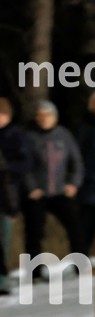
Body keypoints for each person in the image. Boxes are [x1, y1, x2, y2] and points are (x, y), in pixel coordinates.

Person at [24, 100, 84, 275]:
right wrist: (31, 187)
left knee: (75, 226)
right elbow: (25, 166)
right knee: (34, 231)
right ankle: (34, 271)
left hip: (60, 192)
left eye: (47, 115)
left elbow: (76, 162)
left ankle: (81, 264)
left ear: (55, 117)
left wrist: (73, 183)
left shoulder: (64, 135)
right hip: (38, 192)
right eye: (39, 116)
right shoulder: (30, 137)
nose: (42, 119)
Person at [0, 97, 34, 294]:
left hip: (7, 194)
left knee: (3, 239)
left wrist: (7, 169)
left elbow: (26, 162)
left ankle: (3, 280)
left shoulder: (15, 136)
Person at [77, 91, 95, 256]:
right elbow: (79, 156)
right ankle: (81, 259)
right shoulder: (87, 127)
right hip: (90, 184)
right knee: (86, 225)